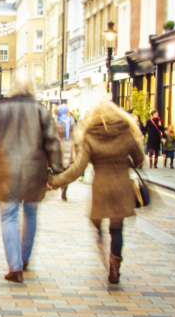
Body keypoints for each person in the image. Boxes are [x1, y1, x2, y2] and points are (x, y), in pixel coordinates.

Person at [48, 101, 145, 284]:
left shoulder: (91, 136)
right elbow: (139, 159)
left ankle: (99, 232)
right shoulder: (125, 132)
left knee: (97, 218)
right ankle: (114, 269)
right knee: (117, 229)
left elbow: (77, 169)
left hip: (101, 187)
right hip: (122, 186)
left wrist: (54, 181)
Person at [0, 70, 63, 283]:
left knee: (9, 216)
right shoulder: (41, 111)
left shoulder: (0, 109)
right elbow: (52, 142)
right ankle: (24, 259)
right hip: (34, 170)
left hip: (5, 171)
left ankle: (15, 267)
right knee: (31, 213)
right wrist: (56, 170)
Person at [53, 104, 79, 201]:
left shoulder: (56, 121)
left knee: (61, 169)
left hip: (59, 147)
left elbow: (53, 134)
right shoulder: (71, 120)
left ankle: (61, 186)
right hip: (69, 146)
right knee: (67, 169)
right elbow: (75, 134)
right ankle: (65, 187)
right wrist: (78, 144)